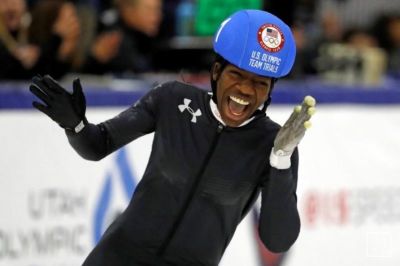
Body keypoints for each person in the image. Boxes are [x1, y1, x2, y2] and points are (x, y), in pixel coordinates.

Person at [29, 9, 316, 265]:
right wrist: (76, 125)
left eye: (259, 83)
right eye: (237, 76)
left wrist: (280, 160)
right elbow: (97, 144)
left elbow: (277, 240)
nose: (245, 90)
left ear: (269, 91)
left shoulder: (273, 143)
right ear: (217, 72)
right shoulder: (172, 99)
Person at [79, 0, 163, 75]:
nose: (157, 17)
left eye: (159, 9)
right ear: (128, 10)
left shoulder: (153, 40)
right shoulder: (113, 39)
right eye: (149, 10)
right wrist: (95, 59)